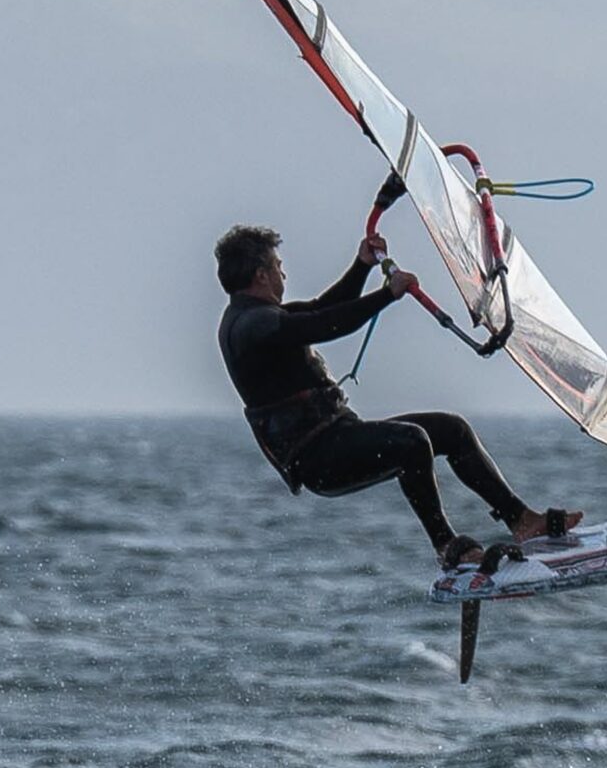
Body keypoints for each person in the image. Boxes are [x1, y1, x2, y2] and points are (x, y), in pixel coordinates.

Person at [215, 213, 578, 568]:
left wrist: (362, 265)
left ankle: (521, 520)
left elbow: (320, 308)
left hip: (338, 436)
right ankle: (446, 546)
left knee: (452, 430)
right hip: (317, 459)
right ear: (261, 275)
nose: (284, 273)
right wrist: (387, 294)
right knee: (412, 443)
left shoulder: (259, 316)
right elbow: (325, 324)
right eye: (278, 265)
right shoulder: (250, 327)